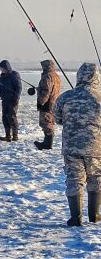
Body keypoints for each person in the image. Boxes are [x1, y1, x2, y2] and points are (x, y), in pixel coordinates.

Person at [54, 62, 101, 226]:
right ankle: (94, 215)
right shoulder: (99, 97)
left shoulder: (66, 97)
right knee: (96, 178)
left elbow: (57, 119)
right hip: (95, 147)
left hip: (71, 146)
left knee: (74, 180)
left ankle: (76, 218)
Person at [34, 60, 62, 150]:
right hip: (54, 102)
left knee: (45, 123)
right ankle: (47, 143)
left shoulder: (47, 77)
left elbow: (47, 91)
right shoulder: (56, 76)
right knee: (49, 122)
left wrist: (41, 103)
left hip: (47, 103)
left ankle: (47, 144)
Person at [0, 60, 22, 142]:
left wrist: (16, 98)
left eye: (3, 68)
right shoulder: (2, 76)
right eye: (1, 69)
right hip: (4, 99)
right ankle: (8, 135)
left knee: (12, 117)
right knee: (5, 118)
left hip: (12, 100)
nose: (2, 70)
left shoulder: (14, 75)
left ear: (7, 67)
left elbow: (19, 88)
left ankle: (15, 135)